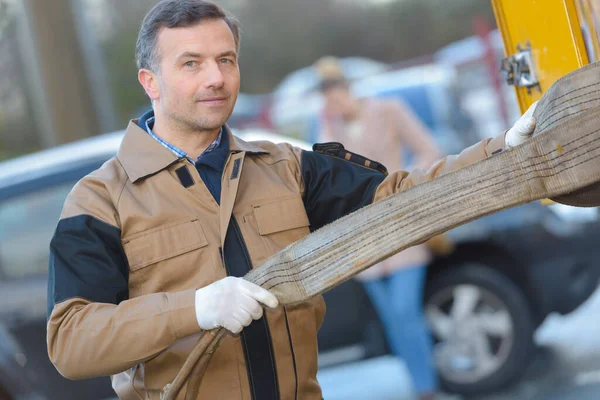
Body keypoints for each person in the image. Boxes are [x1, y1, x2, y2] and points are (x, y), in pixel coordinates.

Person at [46, 1, 538, 399]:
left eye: (226, 59)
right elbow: (71, 342)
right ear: (149, 81)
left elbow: (398, 195)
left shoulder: (286, 167)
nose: (215, 77)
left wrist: (500, 151)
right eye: (190, 63)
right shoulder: (99, 200)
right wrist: (194, 309)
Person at [314, 55, 442, 400]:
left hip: (402, 226)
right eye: (326, 96)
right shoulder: (332, 130)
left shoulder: (388, 109)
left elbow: (429, 149)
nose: (333, 100)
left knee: (406, 310)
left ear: (348, 88)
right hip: (363, 240)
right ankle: (421, 382)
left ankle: (427, 385)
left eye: (336, 91)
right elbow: (325, 178)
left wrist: (404, 184)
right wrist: (326, 128)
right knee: (391, 319)